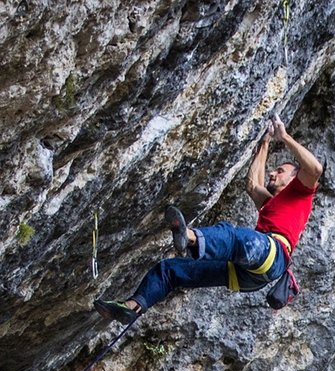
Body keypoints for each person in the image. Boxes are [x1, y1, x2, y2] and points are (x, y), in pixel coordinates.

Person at [94, 114, 322, 325]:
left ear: (294, 178)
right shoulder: (272, 205)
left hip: (272, 254)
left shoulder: (301, 193)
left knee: (233, 237)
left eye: (280, 171)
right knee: (172, 270)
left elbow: (314, 168)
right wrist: (264, 143)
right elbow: (253, 185)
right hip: (248, 273)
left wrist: (284, 137)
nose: (273, 173)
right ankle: (132, 307)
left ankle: (190, 236)